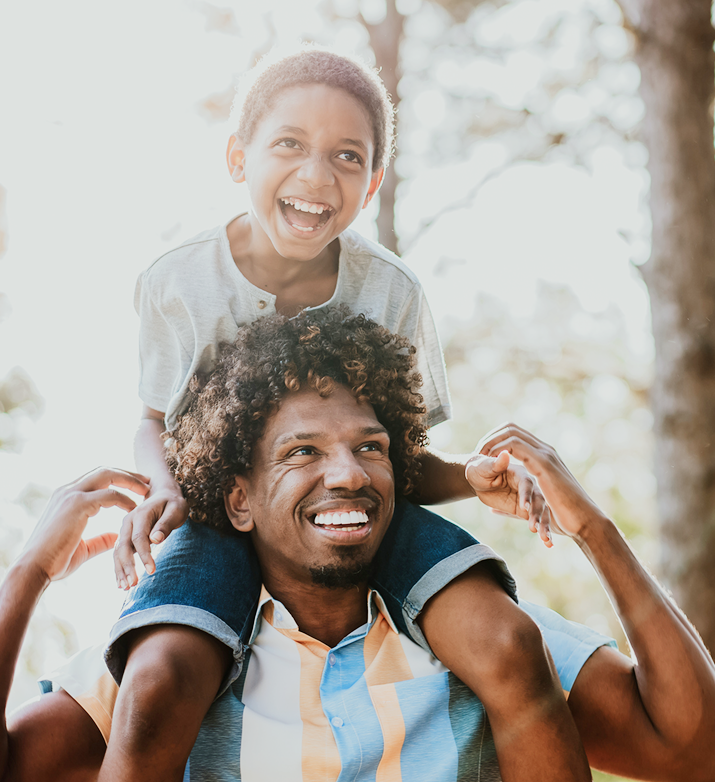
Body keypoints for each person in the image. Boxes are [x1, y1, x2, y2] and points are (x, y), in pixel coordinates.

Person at [0, 309, 715, 782]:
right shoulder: (175, 658)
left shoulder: (480, 638)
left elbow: (706, 752)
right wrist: (27, 575)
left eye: (372, 446)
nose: (347, 473)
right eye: (302, 452)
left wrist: (594, 534)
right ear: (237, 501)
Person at [111, 44, 565, 781]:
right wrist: (163, 487)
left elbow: (400, 464)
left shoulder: (392, 294)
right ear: (238, 157)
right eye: (289, 144)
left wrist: (470, 479)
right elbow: (151, 419)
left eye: (348, 156)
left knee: (511, 643)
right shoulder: (178, 282)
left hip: (359, 519)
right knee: (157, 679)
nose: (317, 176)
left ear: (374, 181)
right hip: (220, 515)